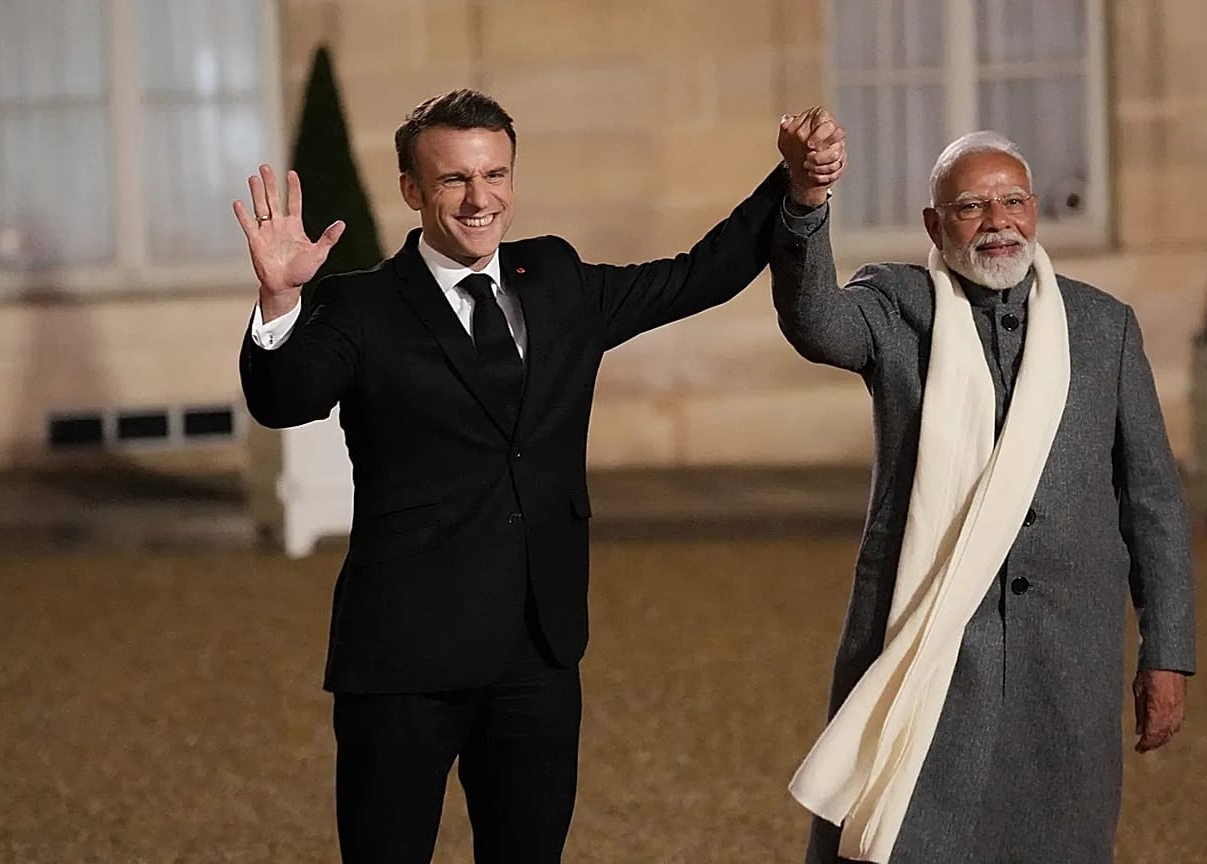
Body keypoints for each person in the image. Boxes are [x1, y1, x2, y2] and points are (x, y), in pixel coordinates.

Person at [233, 90, 845, 864]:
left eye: (495, 174)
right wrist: (281, 299)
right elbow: (283, 400)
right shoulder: (361, 305)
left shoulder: (554, 277)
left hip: (537, 652)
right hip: (402, 661)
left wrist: (792, 185)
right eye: (453, 179)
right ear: (412, 191)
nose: (479, 198)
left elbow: (700, 275)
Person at [771, 119, 1196, 864]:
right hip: (929, 640)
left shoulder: (1104, 327)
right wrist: (807, 199)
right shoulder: (897, 305)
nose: (998, 222)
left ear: (1033, 212)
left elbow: (1152, 503)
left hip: (1068, 655)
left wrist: (1167, 651)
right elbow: (816, 322)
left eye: (1013, 201)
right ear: (936, 224)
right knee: (903, 837)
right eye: (972, 206)